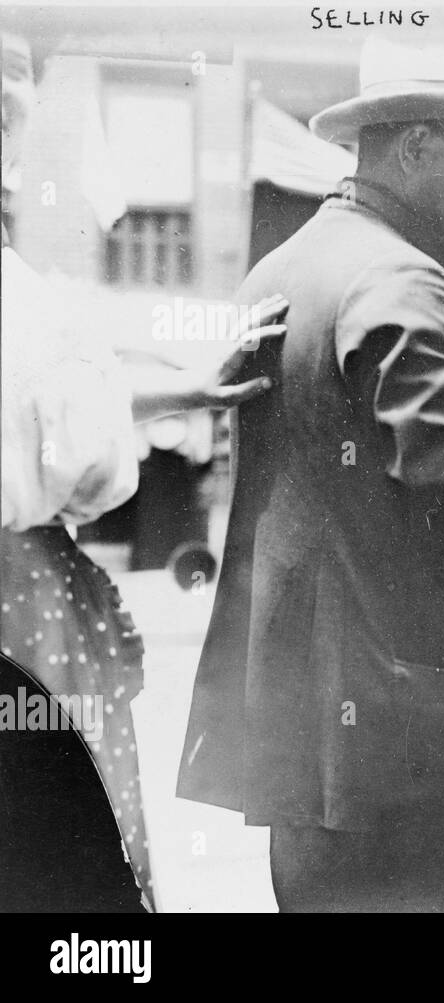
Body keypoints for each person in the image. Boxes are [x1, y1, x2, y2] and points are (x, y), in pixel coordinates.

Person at [175, 35, 444, 912]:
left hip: (314, 762)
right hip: (417, 764)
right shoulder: (404, 281)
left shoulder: (284, 268)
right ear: (414, 148)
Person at [1, 27, 287, 911]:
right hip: (20, 597)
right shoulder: (23, 300)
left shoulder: (28, 300)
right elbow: (67, 440)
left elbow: (56, 399)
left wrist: (183, 390)